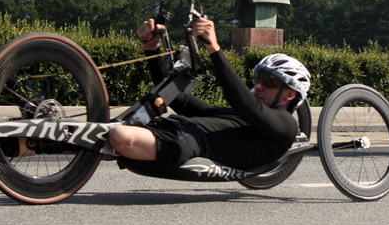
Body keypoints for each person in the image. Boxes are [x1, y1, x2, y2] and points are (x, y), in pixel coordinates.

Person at [107, 16, 310, 170]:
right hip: (169, 129)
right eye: (258, 80)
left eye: (269, 82)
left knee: (117, 135)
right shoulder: (233, 115)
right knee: (102, 132)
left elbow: (245, 103)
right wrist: (152, 50)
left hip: (183, 141)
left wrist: (214, 49)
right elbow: (176, 99)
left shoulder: (285, 127)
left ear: (290, 95)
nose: (258, 87)